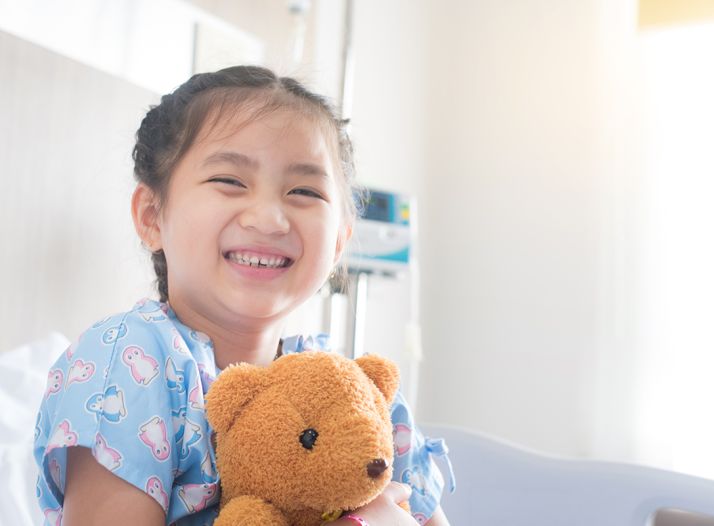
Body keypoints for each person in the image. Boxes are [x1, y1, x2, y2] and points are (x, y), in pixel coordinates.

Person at [33, 65, 451, 526]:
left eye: (304, 190)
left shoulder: (359, 393)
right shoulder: (129, 362)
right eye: (229, 181)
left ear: (338, 242)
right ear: (153, 215)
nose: (269, 218)